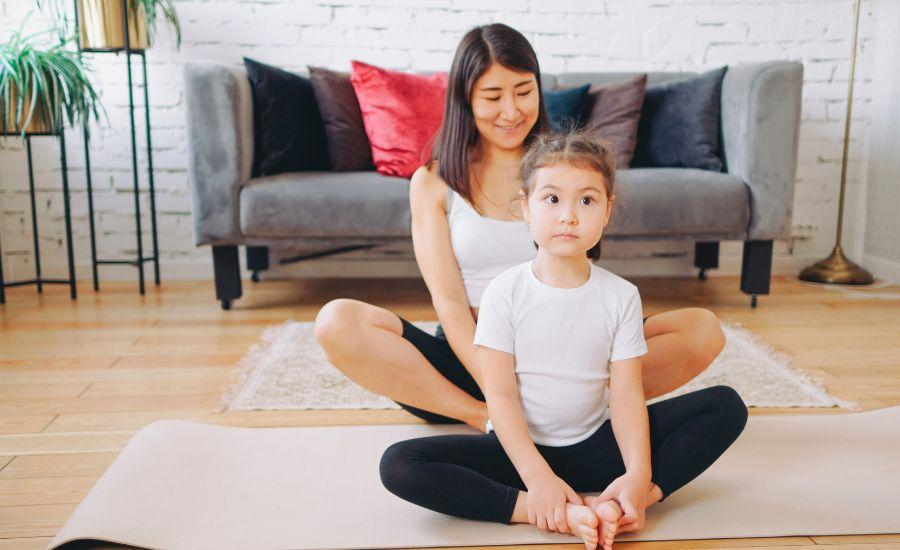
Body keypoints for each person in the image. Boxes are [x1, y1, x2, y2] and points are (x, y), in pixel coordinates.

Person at [314, 22, 726, 436]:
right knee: (337, 321)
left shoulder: (562, 168)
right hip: (471, 363)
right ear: (465, 99)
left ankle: (576, 409)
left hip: (568, 356)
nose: (511, 112)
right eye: (493, 96)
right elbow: (450, 303)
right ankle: (483, 418)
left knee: (701, 330)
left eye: (524, 92)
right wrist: (497, 394)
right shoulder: (433, 181)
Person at [379, 130, 748, 550]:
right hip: (519, 455)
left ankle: (629, 503)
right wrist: (538, 480)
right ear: (526, 207)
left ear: (608, 211)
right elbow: (500, 399)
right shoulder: (504, 292)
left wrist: (637, 474)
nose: (569, 216)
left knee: (725, 406)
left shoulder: (620, 296)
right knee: (399, 464)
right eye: (552, 199)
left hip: (595, 447)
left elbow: (627, 396)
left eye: (586, 200)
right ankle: (544, 509)